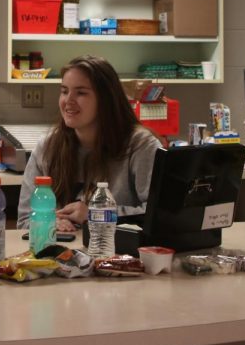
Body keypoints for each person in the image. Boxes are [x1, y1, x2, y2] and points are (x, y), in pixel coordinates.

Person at [17, 55, 161, 232]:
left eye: (81, 93)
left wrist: (97, 214)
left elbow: (159, 215)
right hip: (59, 254)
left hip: (117, 254)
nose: (68, 100)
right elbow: (24, 220)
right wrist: (45, 224)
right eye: (64, 91)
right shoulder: (47, 146)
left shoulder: (140, 145)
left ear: (105, 99)